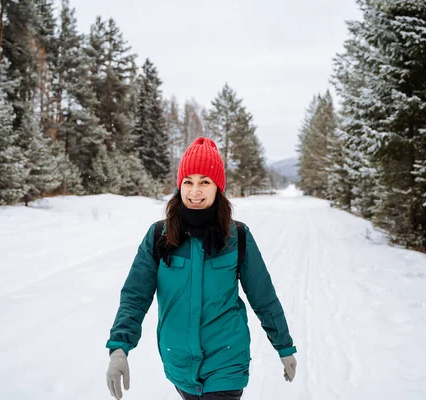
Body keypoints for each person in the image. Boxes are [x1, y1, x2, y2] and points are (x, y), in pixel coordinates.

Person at [105, 137, 297, 400]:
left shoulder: (236, 236)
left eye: (204, 182)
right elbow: (135, 297)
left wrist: (284, 346)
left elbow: (263, 296)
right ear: (179, 185)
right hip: (178, 363)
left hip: (227, 360)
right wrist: (119, 347)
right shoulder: (158, 235)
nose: (195, 191)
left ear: (218, 187)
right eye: (188, 182)